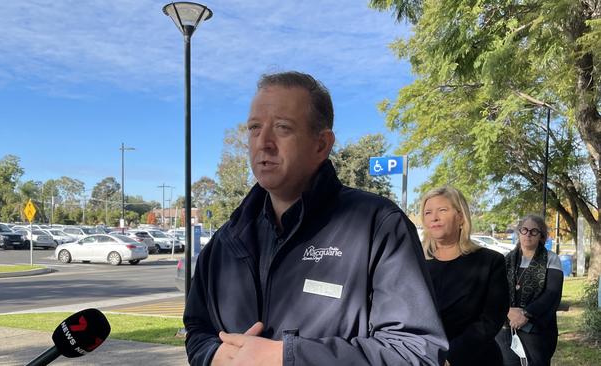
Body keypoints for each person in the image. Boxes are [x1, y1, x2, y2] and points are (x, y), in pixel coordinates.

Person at [184, 71, 448, 366]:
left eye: (282, 128)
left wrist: (288, 358)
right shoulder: (227, 239)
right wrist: (214, 355)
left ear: (321, 144)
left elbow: (416, 352)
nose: (263, 142)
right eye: (254, 128)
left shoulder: (378, 226)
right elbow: (197, 330)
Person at [421, 186, 509, 366]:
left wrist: (450, 357)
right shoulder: (414, 264)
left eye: (442, 210)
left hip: (475, 358)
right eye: (428, 212)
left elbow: (492, 318)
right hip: (423, 358)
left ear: (461, 217)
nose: (434, 217)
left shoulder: (490, 262)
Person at [495, 215, 563, 366]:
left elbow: (552, 294)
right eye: (524, 230)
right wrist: (508, 311)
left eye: (534, 231)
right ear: (519, 233)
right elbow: (496, 292)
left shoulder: (551, 259)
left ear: (541, 236)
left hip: (536, 328)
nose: (528, 235)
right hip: (506, 326)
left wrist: (526, 314)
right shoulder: (506, 260)